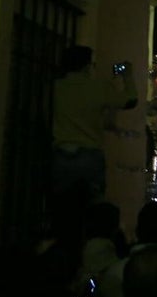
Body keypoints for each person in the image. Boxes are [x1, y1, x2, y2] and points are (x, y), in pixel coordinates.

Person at [51, 45, 136, 224]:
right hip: (89, 155)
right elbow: (130, 100)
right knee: (92, 210)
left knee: (60, 209)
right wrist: (127, 76)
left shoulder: (56, 87)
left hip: (60, 155)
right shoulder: (97, 87)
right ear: (86, 65)